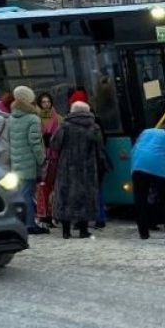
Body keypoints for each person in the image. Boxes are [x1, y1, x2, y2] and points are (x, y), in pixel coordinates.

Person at [50, 100, 105, 239]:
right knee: (85, 196)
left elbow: (54, 144)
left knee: (66, 196)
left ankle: (66, 231)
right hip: (87, 168)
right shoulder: (94, 127)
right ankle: (83, 230)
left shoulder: (65, 125)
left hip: (67, 167)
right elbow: (100, 146)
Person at [7, 85, 47, 235]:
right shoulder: (32, 118)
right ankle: (30, 224)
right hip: (29, 163)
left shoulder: (12, 117)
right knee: (28, 195)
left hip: (17, 163)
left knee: (22, 194)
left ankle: (23, 222)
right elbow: (35, 143)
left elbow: (10, 140)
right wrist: (43, 160)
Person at [68, 89, 109, 228]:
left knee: (78, 192)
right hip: (96, 161)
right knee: (97, 190)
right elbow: (102, 141)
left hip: (76, 163)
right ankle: (100, 218)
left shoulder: (68, 123)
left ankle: (80, 220)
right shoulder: (95, 122)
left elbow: (57, 142)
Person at [130, 126, 165, 240]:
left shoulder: (145, 132)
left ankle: (143, 233)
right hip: (158, 169)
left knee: (140, 200)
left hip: (138, 167)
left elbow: (134, 150)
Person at [35, 92, 62, 228]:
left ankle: (55, 213)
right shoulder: (35, 118)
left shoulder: (58, 118)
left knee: (55, 187)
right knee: (43, 187)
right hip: (43, 157)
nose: (46, 104)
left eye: (48, 102)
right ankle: (45, 215)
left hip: (56, 156)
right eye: (43, 102)